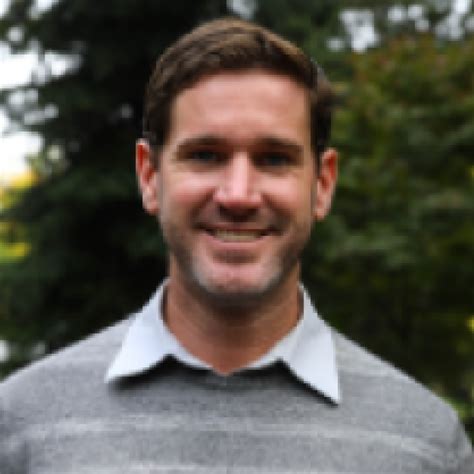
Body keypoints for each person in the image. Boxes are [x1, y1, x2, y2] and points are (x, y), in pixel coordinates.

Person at [0, 17, 472, 473]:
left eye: (274, 159)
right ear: (149, 176)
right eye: (205, 155)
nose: (238, 195)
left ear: (323, 184)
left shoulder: (426, 446)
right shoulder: (21, 427)